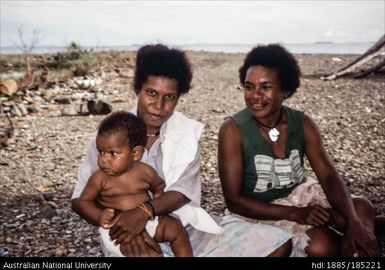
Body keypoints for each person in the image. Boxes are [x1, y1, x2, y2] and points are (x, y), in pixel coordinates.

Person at [72, 43, 292, 257]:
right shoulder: (110, 136)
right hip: (123, 234)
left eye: (169, 97)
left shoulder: (186, 133)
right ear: (137, 89)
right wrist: (121, 225)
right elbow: (81, 198)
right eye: (151, 93)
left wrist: (143, 212)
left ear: (178, 98)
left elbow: (181, 192)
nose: (159, 105)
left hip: (183, 230)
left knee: (277, 243)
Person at [218, 43, 381, 257]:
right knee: (322, 247)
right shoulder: (232, 129)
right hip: (259, 213)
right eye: (249, 86)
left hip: (299, 199)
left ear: (285, 90)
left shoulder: (302, 123)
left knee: (361, 209)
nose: (255, 95)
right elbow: (234, 201)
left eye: (265, 87)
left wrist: (353, 222)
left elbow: (329, 176)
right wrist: (296, 214)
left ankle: (357, 249)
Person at [76, 111, 192, 256]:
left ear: (135, 153)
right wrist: (99, 215)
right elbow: (83, 201)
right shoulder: (99, 178)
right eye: (101, 152)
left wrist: (157, 206)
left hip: (145, 219)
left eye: (112, 153)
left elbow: (159, 186)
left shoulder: (145, 172)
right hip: (117, 229)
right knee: (147, 253)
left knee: (176, 229)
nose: (104, 159)